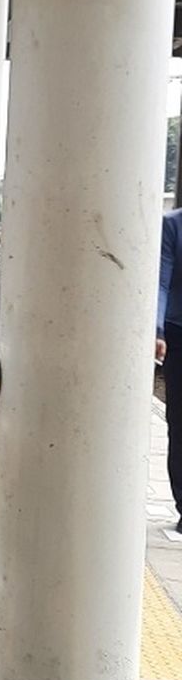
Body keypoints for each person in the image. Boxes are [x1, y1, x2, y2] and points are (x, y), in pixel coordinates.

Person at [157, 208, 182, 532]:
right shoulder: (172, 225)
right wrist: (156, 329)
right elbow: (160, 281)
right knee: (180, 424)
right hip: (179, 335)